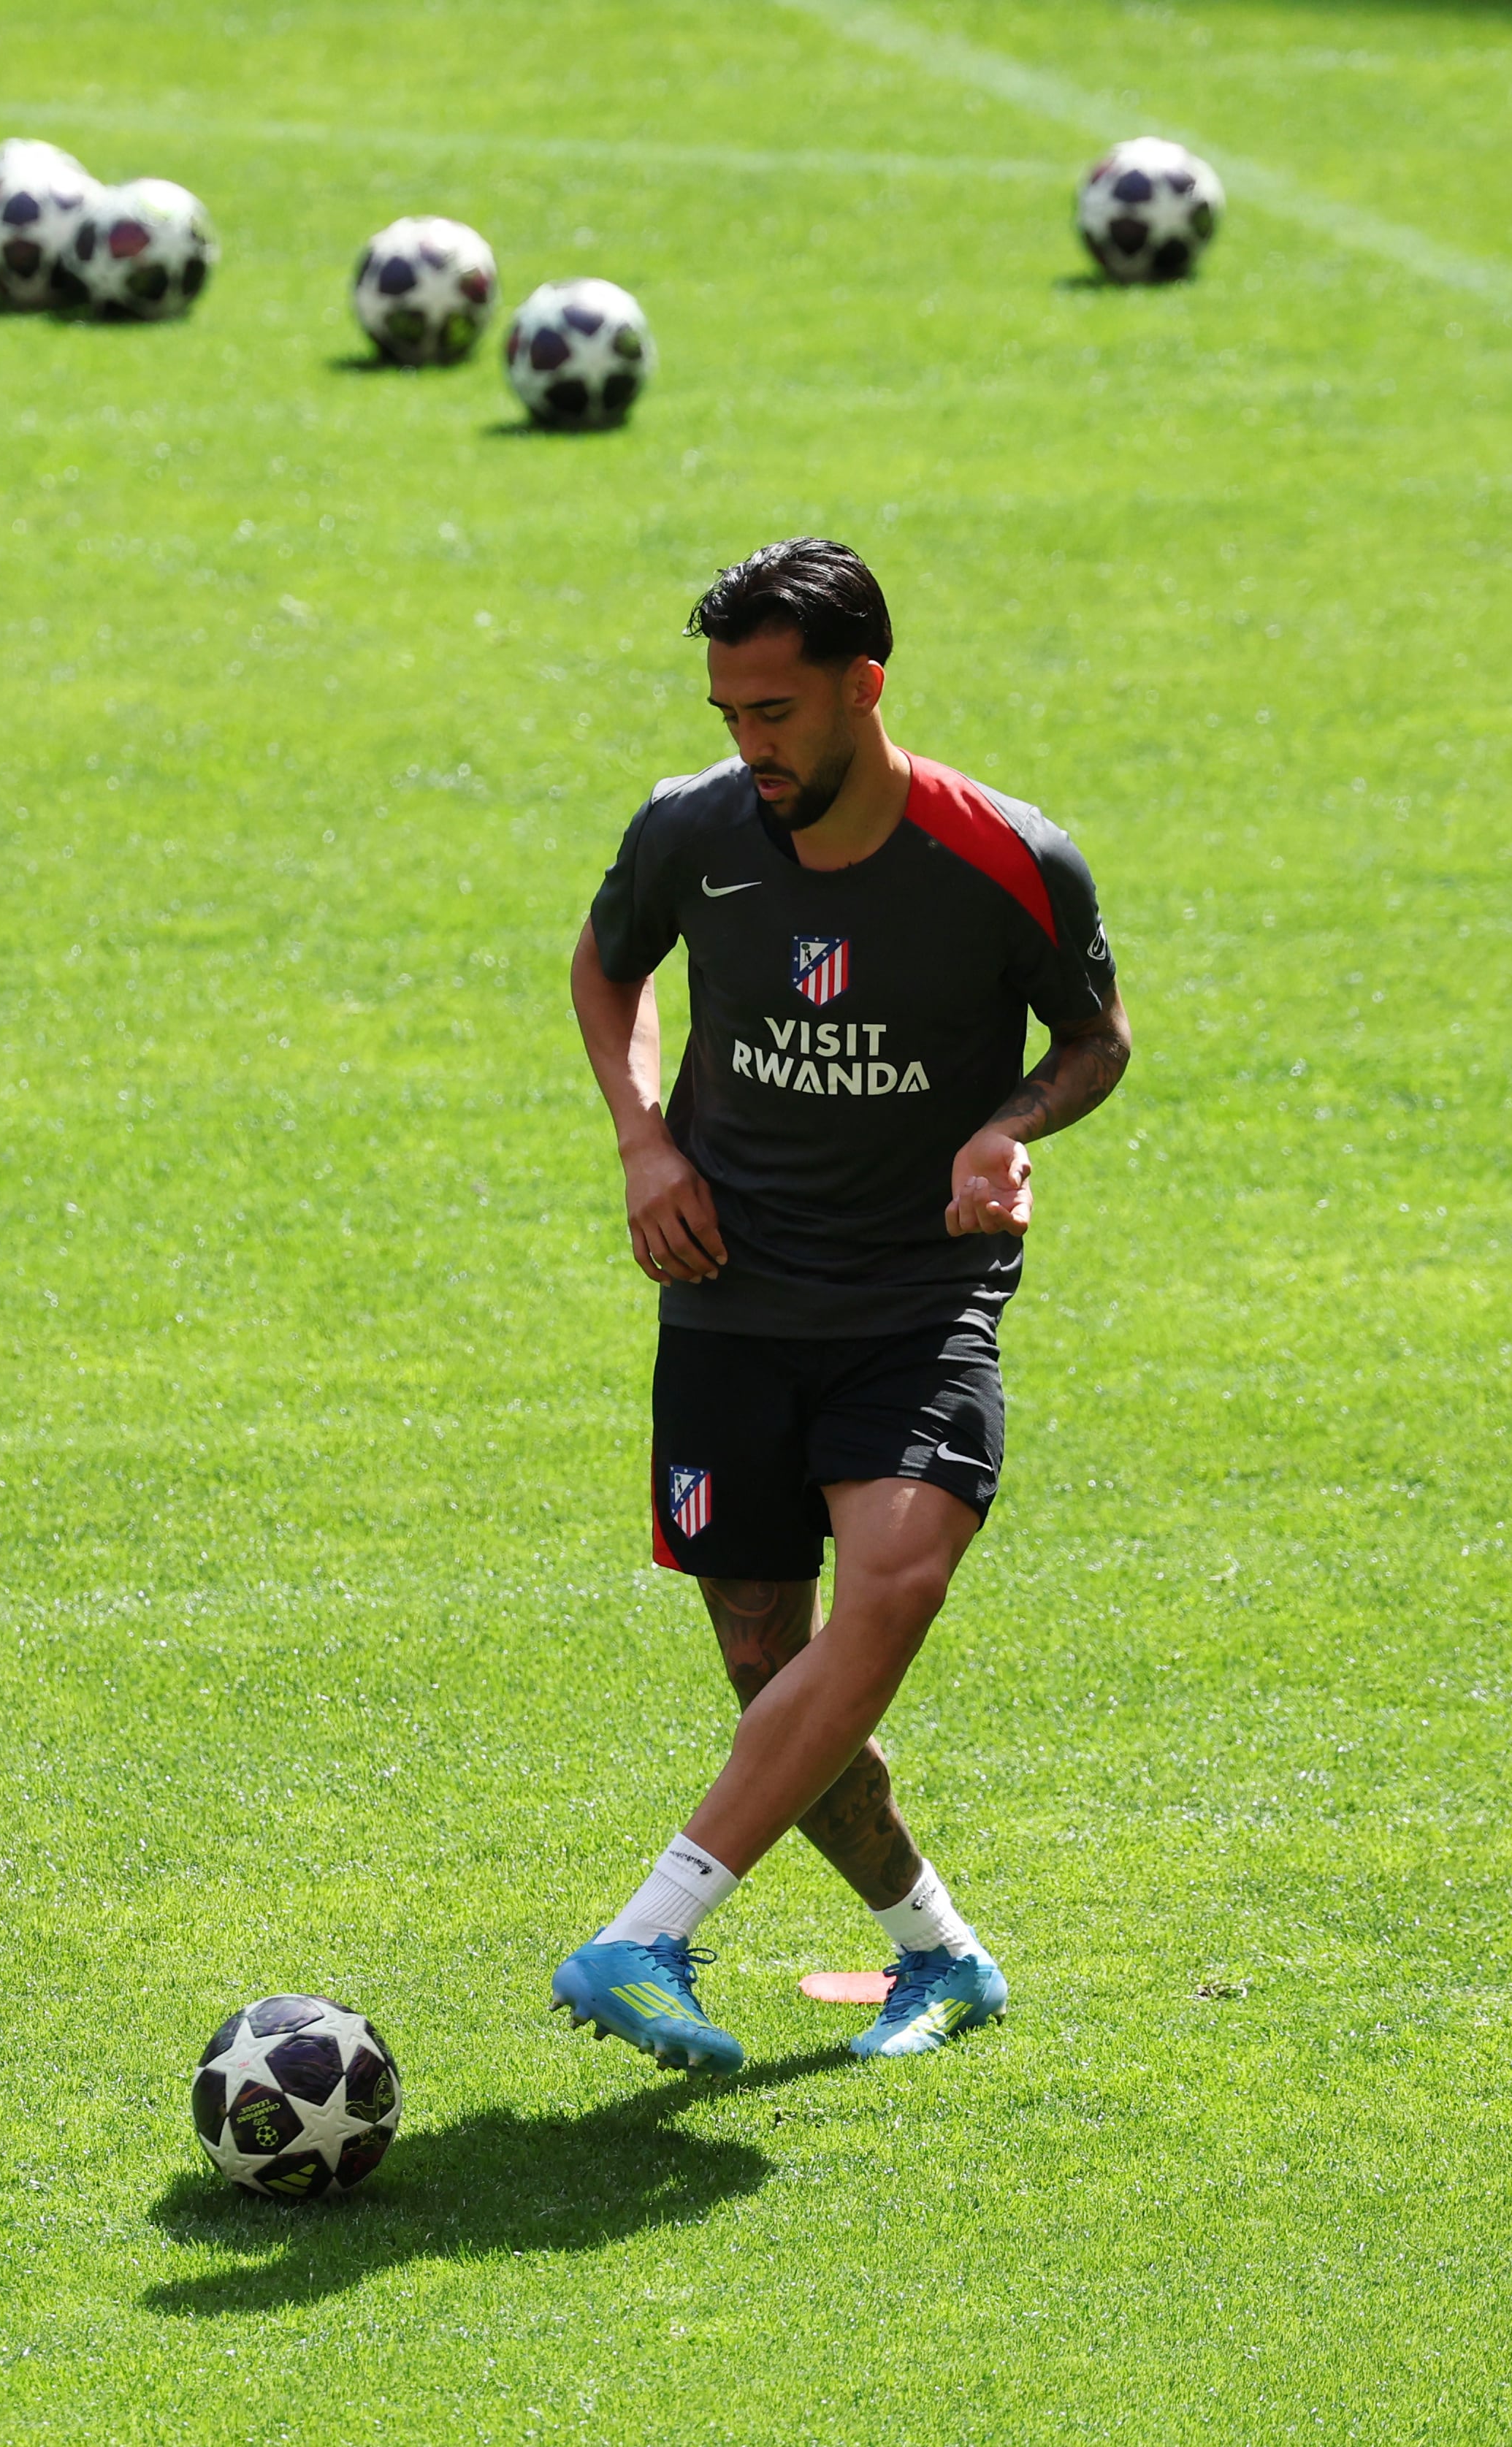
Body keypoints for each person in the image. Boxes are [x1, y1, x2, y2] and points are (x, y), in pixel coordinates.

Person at [552, 537, 1130, 2068]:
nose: (751, 745)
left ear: (863, 687)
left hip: (913, 1293)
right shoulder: (696, 830)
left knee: (888, 1590)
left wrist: (1005, 1127)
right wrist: (642, 1137)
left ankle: (647, 1931)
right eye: (730, 711)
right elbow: (605, 970)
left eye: (777, 713)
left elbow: (1096, 1039)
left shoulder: (1005, 855)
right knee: (776, 1675)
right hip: (728, 1300)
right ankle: (941, 1956)